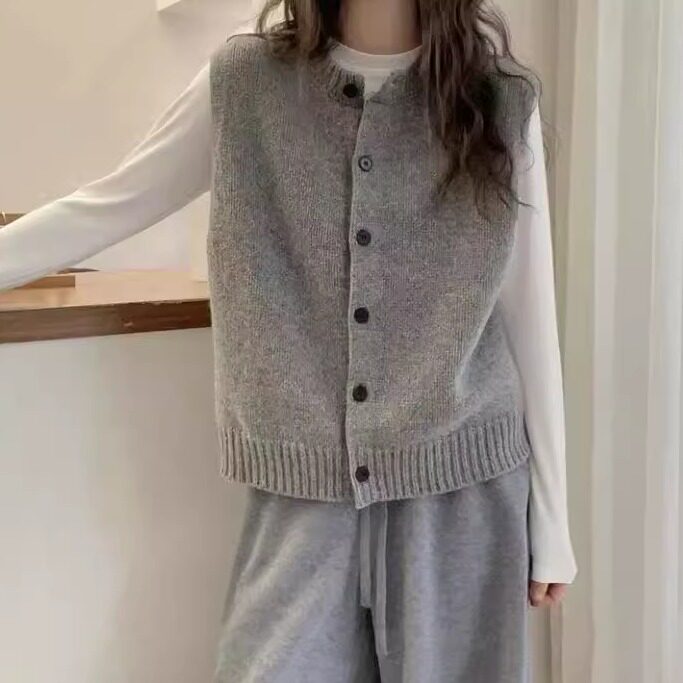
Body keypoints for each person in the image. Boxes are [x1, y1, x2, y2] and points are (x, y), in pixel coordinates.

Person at [0, 0, 577, 680]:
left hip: (463, 491)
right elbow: (115, 201)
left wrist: (552, 520)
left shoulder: (499, 99)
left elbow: (529, 314)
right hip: (301, 493)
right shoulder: (246, 82)